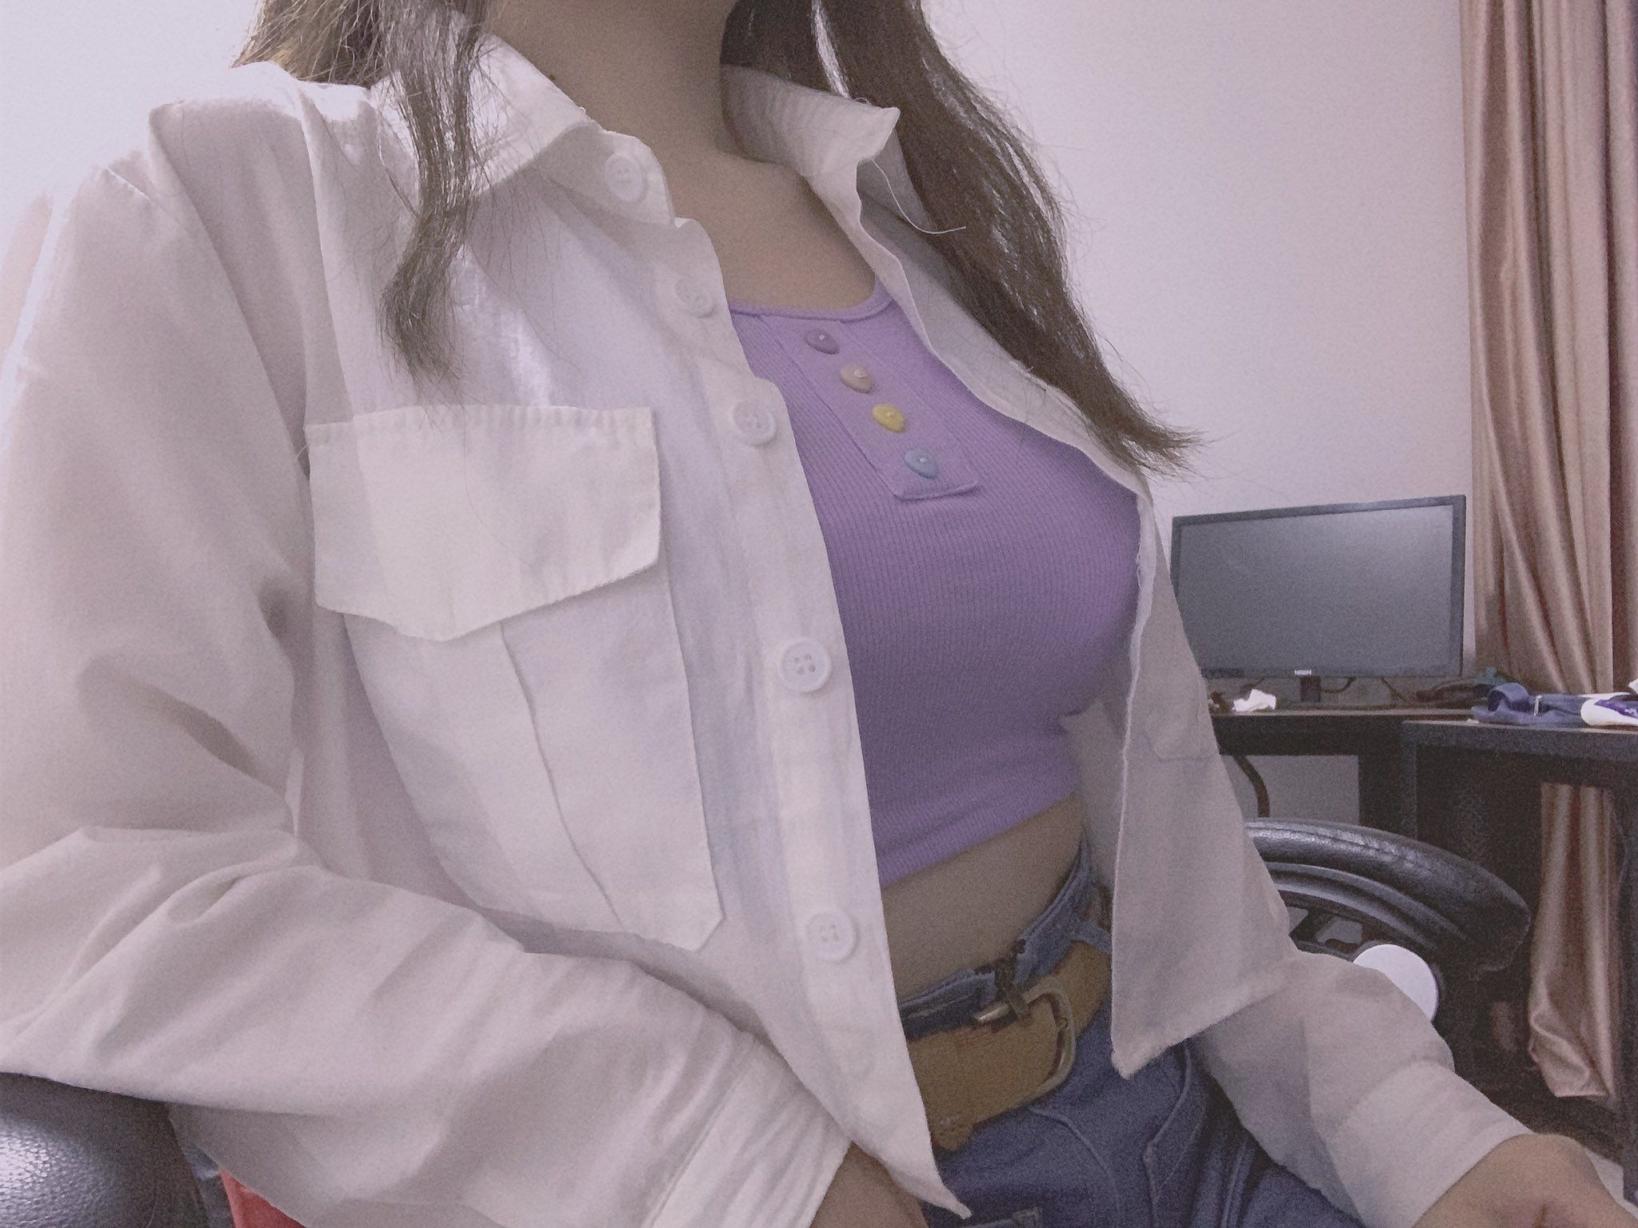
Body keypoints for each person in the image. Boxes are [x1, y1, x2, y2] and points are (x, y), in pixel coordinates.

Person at [0, 2, 1629, 1226]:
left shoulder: (923, 227)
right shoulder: (215, 205)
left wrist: (1414, 1128)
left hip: (1161, 1118)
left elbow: (1167, 857)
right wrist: (739, 1166)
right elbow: (77, 885)